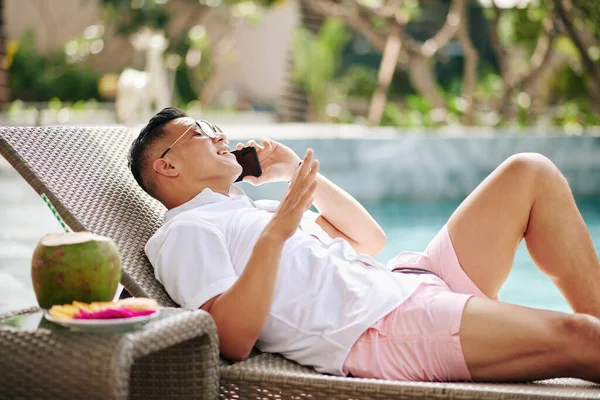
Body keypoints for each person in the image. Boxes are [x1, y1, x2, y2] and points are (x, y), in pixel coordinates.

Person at [129, 107, 600, 383]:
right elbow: (230, 339)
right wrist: (280, 228)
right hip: (381, 328)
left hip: (405, 284)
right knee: (581, 339)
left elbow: (369, 238)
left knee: (529, 172)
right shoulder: (184, 232)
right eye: (200, 132)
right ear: (167, 167)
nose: (220, 134)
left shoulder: (251, 212)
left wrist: (294, 176)